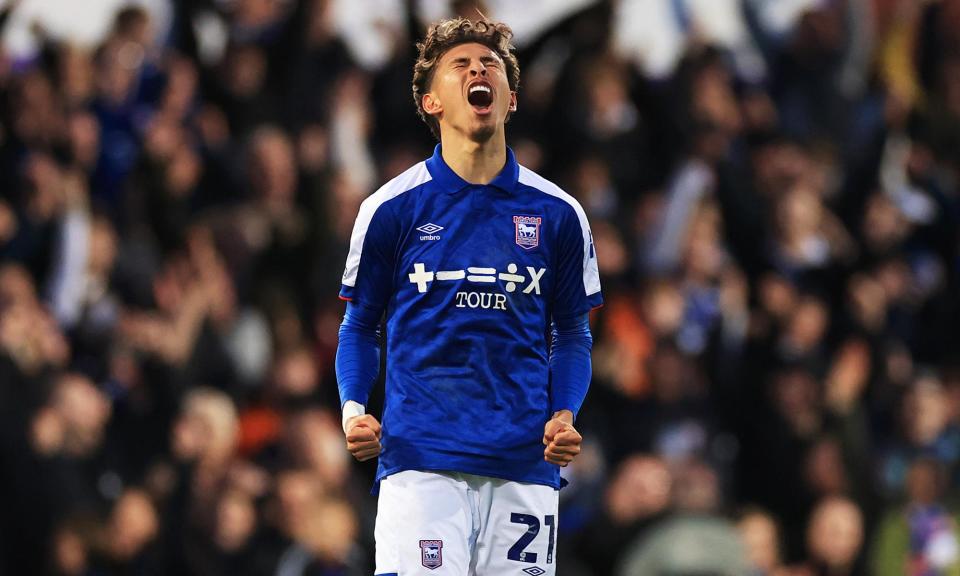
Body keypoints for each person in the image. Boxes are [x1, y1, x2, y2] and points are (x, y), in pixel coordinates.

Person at [334, 16, 602, 576]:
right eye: (461, 64)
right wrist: (354, 410)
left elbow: (572, 332)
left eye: (491, 65)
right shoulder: (390, 209)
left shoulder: (559, 214)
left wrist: (564, 414)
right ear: (431, 102)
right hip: (421, 465)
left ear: (511, 97)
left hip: (525, 470)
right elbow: (360, 326)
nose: (479, 69)